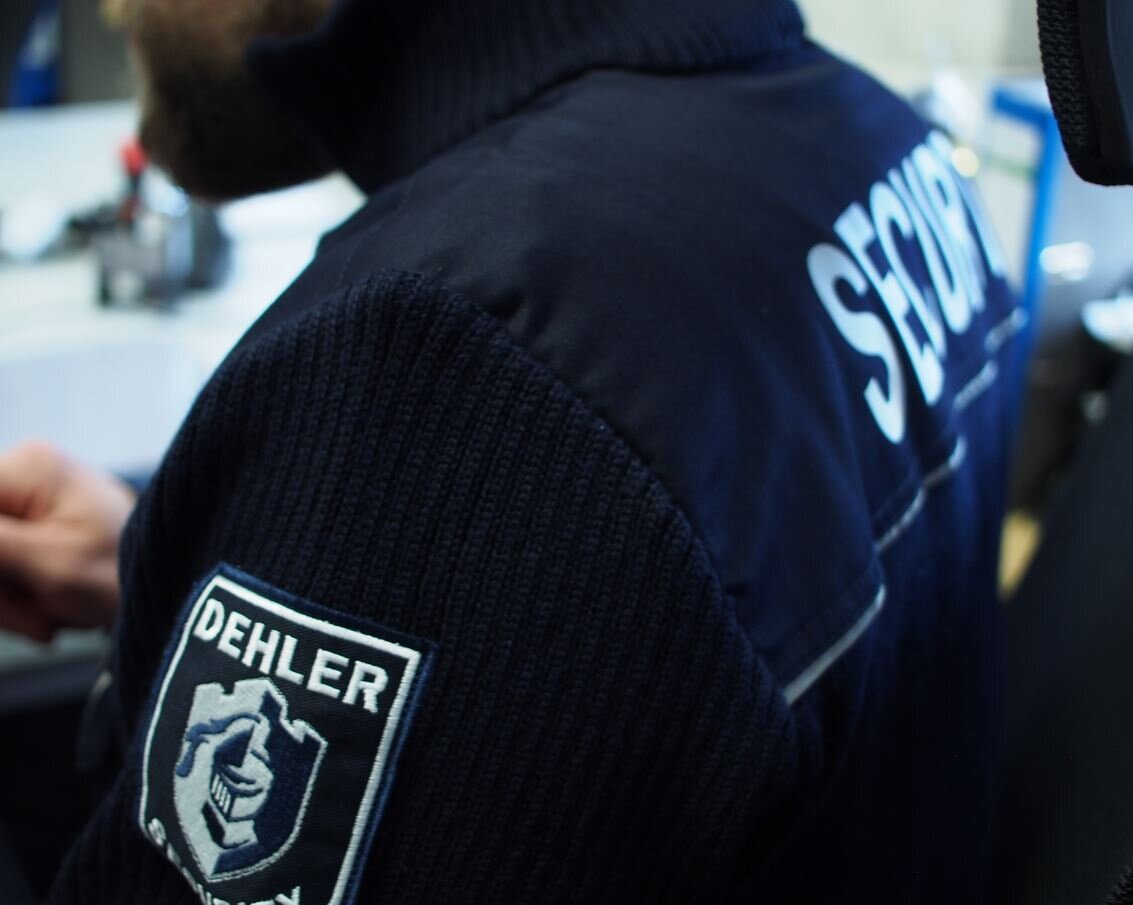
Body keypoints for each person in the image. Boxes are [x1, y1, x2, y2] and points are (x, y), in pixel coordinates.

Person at [0, 0, 1028, 901]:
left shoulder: (465, 353)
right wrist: (223, 561)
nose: (111, 8)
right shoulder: (881, 141)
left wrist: (356, 536)